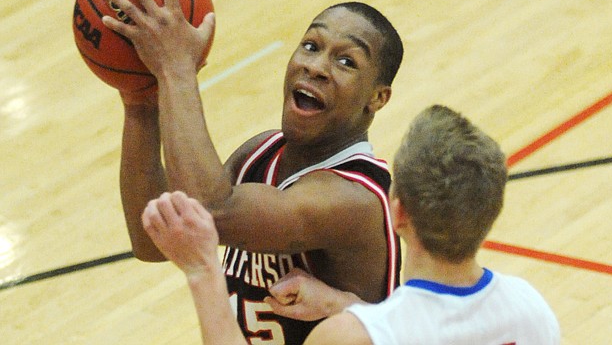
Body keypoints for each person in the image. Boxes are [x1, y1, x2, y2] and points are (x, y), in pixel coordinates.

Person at [102, 0, 403, 343]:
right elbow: (153, 241)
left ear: (378, 98)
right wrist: (139, 103)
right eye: (311, 45)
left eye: (347, 62)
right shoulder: (259, 154)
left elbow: (214, 211)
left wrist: (176, 68)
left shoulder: (354, 199)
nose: (315, 67)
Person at [143, 105, 561, 344]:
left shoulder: (352, 337)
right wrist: (337, 305)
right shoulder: (529, 308)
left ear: (397, 212)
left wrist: (202, 270)